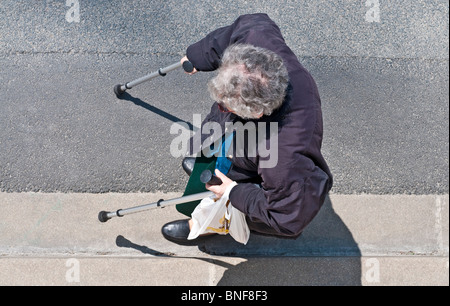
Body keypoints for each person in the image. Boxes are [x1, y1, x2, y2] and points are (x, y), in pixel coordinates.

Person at [161, 13, 333, 244]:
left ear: (256, 113)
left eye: (226, 104)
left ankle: (209, 223)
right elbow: (249, 23)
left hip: (263, 172)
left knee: (237, 187)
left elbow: (287, 217)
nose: (219, 105)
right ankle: (220, 171)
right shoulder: (257, 41)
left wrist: (234, 192)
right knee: (226, 145)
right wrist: (199, 55)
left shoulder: (284, 155)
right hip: (245, 142)